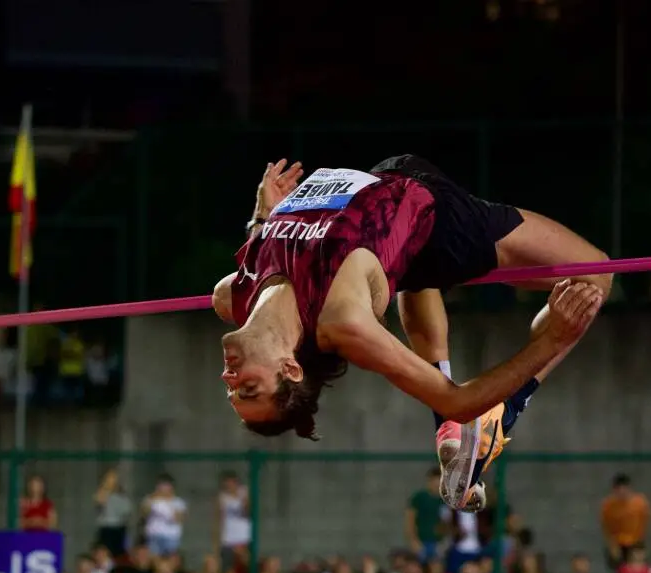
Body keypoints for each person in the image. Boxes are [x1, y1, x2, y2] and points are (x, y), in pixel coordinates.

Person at [214, 156, 610, 510]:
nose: (229, 379)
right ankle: (502, 416)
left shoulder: (233, 296)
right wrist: (553, 340)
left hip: (388, 192)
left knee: (410, 275)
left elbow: (261, 255)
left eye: (231, 391)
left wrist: (263, 219)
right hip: (439, 221)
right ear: (290, 368)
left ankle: (450, 431)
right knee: (597, 273)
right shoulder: (343, 319)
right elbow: (459, 400)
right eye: (248, 390)